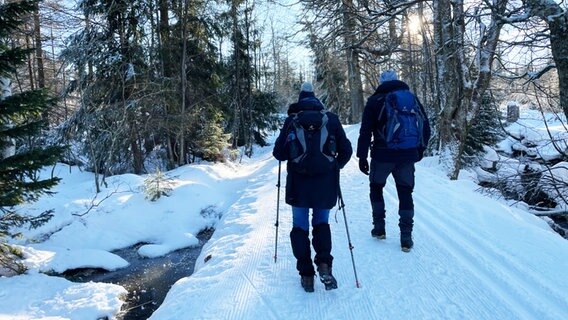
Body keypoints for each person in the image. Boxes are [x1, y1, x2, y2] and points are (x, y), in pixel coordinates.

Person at [273, 82, 352, 292]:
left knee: (300, 227)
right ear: (316, 100)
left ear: (300, 101)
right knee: (321, 224)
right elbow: (346, 150)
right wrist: (335, 167)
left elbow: (279, 154)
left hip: (298, 185)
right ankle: (324, 264)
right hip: (325, 183)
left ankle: (307, 275)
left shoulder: (292, 121)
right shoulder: (331, 119)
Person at [356, 70, 431, 252]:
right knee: (405, 193)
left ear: (381, 82)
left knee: (376, 187)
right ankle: (406, 237)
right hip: (406, 156)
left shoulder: (374, 101)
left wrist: (362, 156)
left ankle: (379, 228)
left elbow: (365, 131)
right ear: (398, 80)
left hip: (382, 155)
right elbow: (425, 125)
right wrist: (420, 149)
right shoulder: (411, 98)